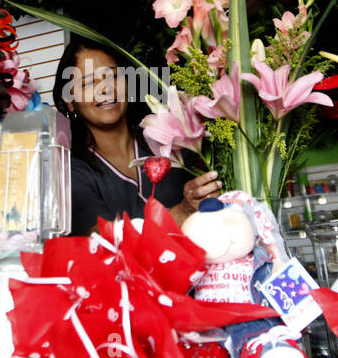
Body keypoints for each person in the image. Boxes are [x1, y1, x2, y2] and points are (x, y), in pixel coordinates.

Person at [52, 37, 220, 235]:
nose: (105, 89)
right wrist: (180, 213)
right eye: (89, 82)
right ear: (69, 100)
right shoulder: (70, 172)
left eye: (113, 76)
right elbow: (103, 240)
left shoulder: (167, 137)